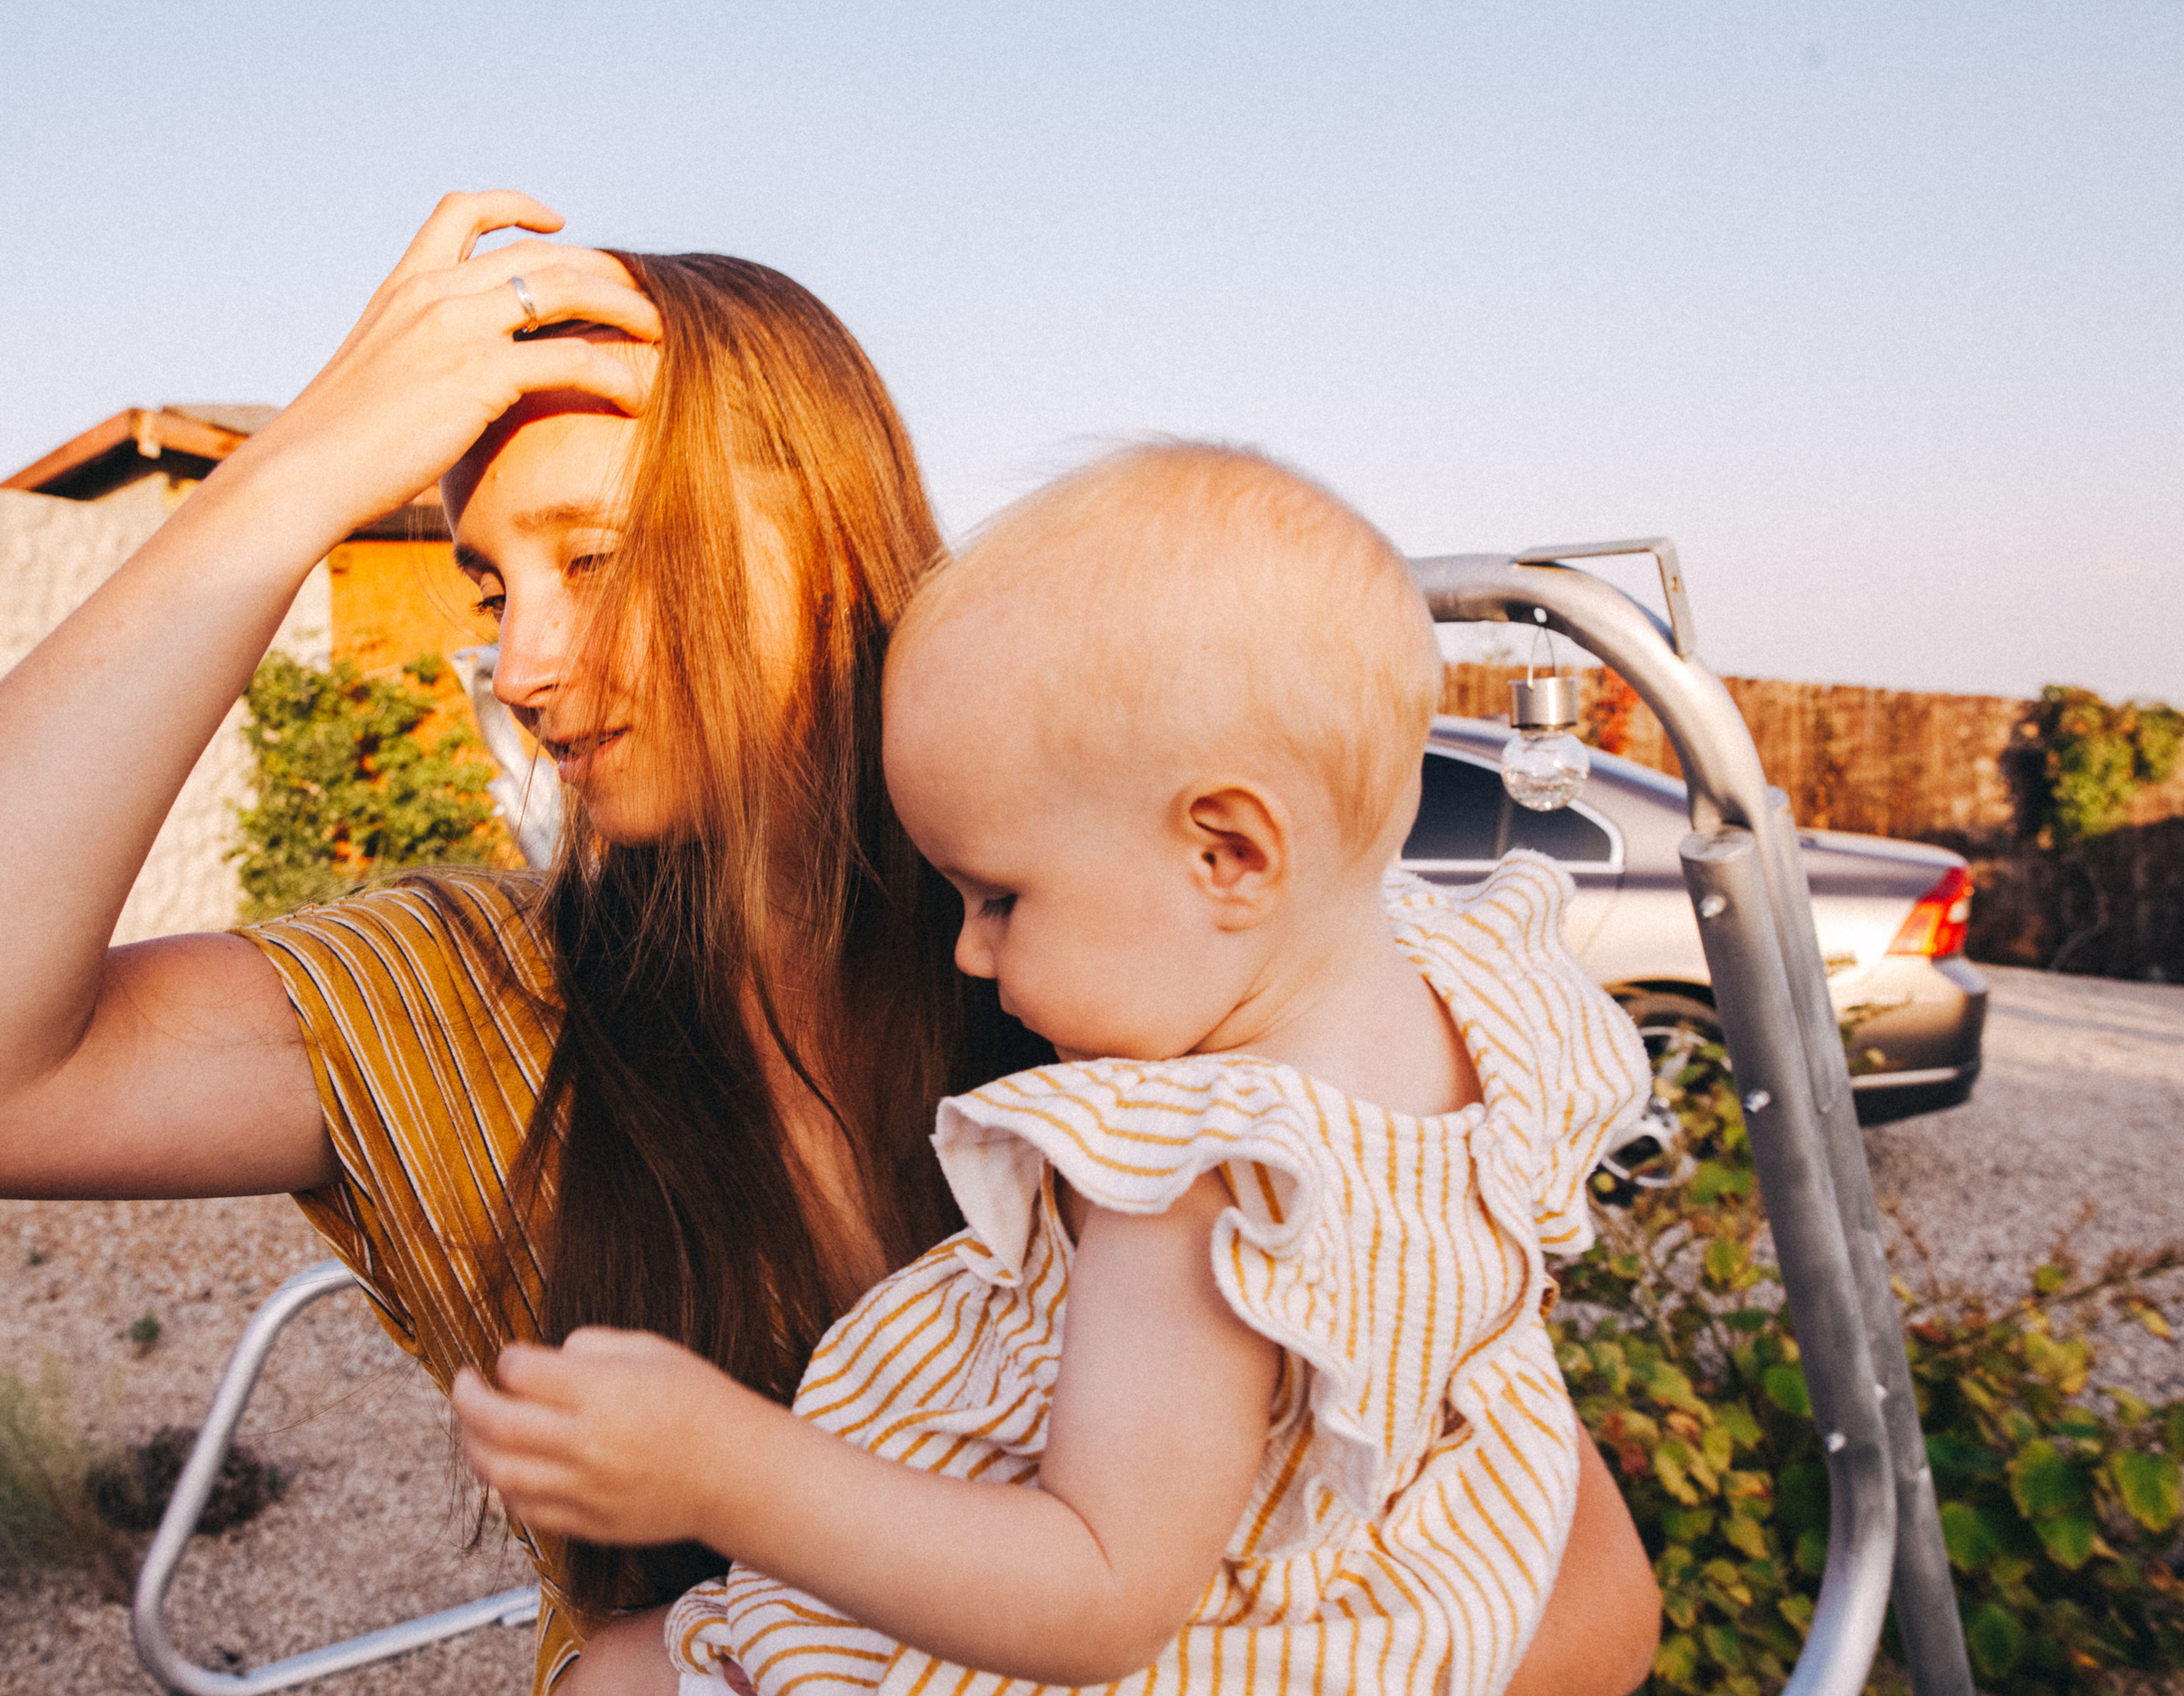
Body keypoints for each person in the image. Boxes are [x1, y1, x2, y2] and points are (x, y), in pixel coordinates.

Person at [0, 194, 1656, 1695]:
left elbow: (1561, 1593)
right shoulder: (468, 1001)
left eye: (597, 555)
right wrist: (289, 483)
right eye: (485, 585)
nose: (519, 665)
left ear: (824, 522)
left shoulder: (1152, 957)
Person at [445, 442, 1656, 1696]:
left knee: (623, 1678)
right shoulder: (1474, 994)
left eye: (1000, 898)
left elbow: (1094, 1592)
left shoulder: (1197, 1178)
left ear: (1229, 854)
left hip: (1098, 1648)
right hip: (1405, 1580)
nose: (968, 953)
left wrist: (725, 1468)